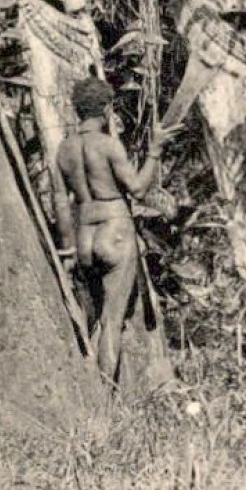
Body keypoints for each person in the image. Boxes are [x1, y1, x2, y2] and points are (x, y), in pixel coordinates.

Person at [56, 76, 181, 384]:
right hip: (115, 229)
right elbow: (137, 189)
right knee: (112, 322)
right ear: (108, 108)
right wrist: (154, 152)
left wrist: (68, 248)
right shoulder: (109, 146)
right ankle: (105, 412)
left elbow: (60, 202)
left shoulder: (63, 150)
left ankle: (87, 389)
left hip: (84, 234)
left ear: (77, 111)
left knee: (92, 319)